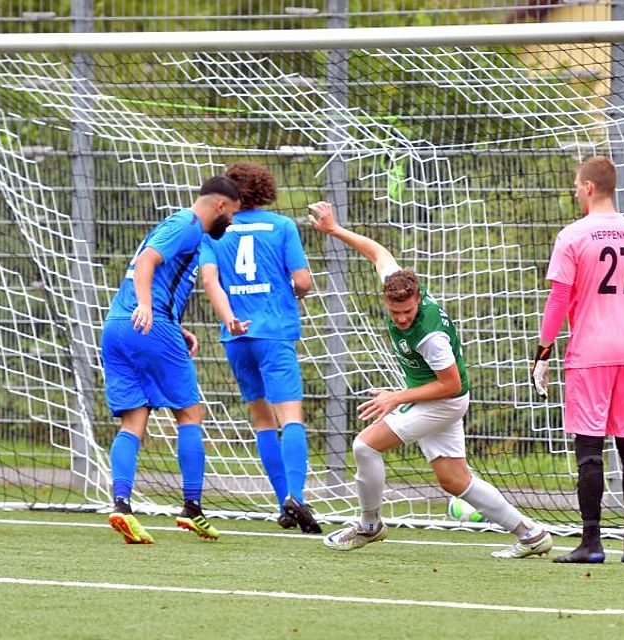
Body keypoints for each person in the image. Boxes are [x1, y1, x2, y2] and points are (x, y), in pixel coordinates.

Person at [308, 201, 552, 559]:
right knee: (454, 480)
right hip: (436, 401)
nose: (402, 318)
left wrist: (397, 397)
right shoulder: (397, 286)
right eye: (395, 313)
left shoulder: (430, 336)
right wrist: (334, 229)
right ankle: (531, 534)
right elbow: (379, 252)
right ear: (387, 299)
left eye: (408, 312)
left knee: (364, 446)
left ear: (418, 299)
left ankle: (369, 525)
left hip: (443, 401)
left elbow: (452, 384)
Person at [104, 175, 241, 544]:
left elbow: (153, 272)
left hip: (118, 325)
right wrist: (150, 309)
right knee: (190, 414)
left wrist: (171, 323)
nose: (230, 224)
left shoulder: (176, 225)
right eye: (232, 215)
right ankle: (192, 508)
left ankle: (121, 504)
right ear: (222, 207)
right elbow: (148, 261)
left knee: (134, 420)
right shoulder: (189, 225)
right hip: (149, 326)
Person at [531, 156, 624, 564]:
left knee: (589, 449)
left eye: (575, 187)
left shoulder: (573, 236)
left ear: (586, 187)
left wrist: (543, 350)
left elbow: (559, 300)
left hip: (591, 353)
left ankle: (592, 542)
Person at [198, 161, 320, 533]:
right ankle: (295, 496)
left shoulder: (214, 232)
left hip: (236, 336)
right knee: (291, 418)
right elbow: (303, 281)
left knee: (263, 420)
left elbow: (209, 279)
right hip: (274, 333)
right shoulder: (282, 226)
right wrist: (291, 291)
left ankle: (282, 500)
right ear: (265, 189)